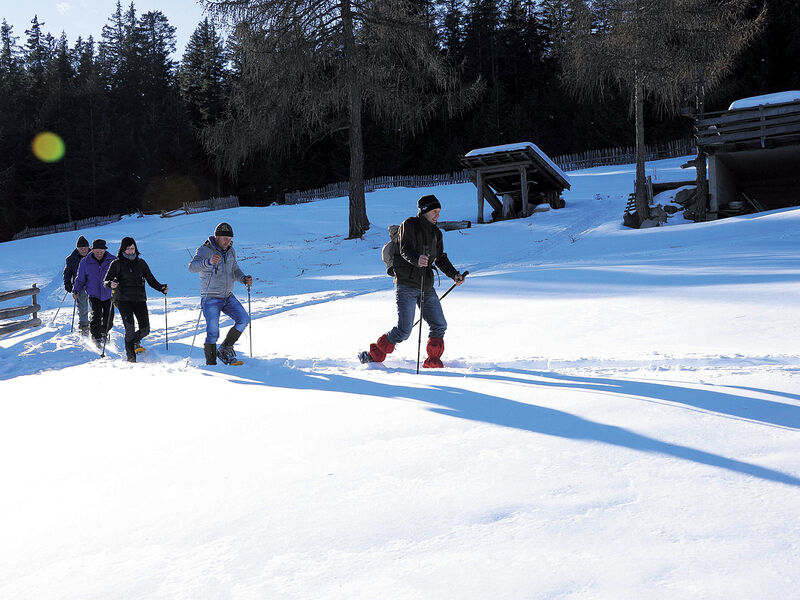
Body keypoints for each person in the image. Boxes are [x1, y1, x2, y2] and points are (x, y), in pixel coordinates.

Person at [361, 194, 465, 368]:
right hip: (407, 284)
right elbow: (404, 249)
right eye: (434, 211)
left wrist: (454, 275)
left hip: (426, 285)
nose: (437, 215)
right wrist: (417, 259)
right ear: (424, 211)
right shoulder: (409, 225)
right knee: (404, 331)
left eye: (439, 211)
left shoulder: (436, 233)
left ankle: (433, 362)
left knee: (439, 324)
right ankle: (375, 354)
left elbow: (440, 258)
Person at [188, 222, 253, 365]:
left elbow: (235, 269)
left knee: (243, 320)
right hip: (210, 296)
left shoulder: (231, 250)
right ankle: (211, 364)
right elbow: (192, 267)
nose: (227, 241)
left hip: (227, 295)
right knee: (213, 331)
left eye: (230, 238)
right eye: (224, 238)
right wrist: (208, 262)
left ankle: (225, 348)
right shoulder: (204, 250)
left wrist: (243, 278)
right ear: (216, 236)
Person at [103, 237, 168, 362]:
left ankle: (134, 341)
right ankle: (131, 359)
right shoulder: (116, 264)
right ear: (123, 249)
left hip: (140, 300)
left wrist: (161, 288)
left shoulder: (141, 263)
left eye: (132, 248)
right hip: (124, 301)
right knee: (130, 330)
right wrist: (110, 284)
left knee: (145, 329)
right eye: (127, 249)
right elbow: (105, 282)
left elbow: (151, 279)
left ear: (135, 248)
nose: (130, 251)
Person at [72, 239, 115, 346]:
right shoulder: (85, 262)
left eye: (101, 251)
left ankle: (104, 332)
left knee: (108, 317)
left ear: (105, 250)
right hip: (94, 294)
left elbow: (120, 275)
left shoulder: (113, 260)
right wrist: (76, 290)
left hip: (109, 294)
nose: (99, 254)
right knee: (96, 316)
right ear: (92, 250)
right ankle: (96, 337)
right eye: (97, 251)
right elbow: (80, 279)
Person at [63, 235, 90, 335]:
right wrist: (68, 283)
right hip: (80, 285)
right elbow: (67, 272)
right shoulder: (71, 259)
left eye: (85, 248)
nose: (83, 250)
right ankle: (84, 326)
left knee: (94, 305)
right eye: (81, 248)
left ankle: (95, 323)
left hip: (93, 284)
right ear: (77, 248)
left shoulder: (94, 255)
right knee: (83, 305)